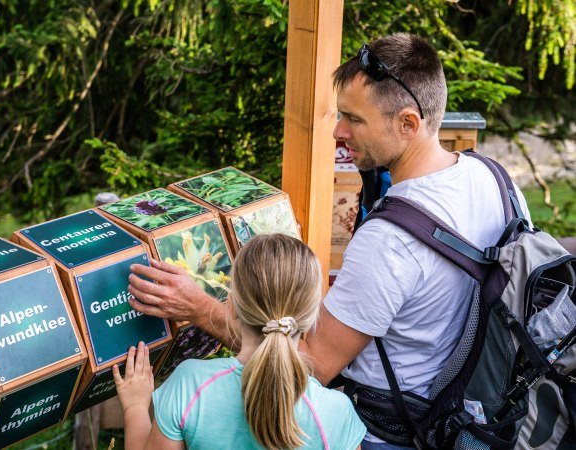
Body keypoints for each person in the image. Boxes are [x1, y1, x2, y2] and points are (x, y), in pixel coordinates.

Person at [127, 33, 532, 449]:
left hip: (387, 436)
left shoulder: (390, 241)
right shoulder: (497, 180)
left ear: (408, 123)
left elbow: (308, 366)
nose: (338, 131)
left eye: (354, 119)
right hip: (471, 418)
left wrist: (200, 309)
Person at [113, 234, 365, 449]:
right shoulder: (335, 412)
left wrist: (135, 407)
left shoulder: (190, 384)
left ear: (231, 305)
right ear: (311, 317)